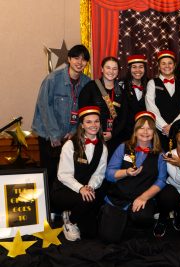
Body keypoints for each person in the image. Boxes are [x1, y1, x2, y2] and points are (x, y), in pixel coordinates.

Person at [99, 111, 167, 243]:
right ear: (135, 131)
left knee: (142, 217)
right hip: (118, 197)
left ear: (154, 132)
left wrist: (143, 197)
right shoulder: (123, 147)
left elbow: (161, 180)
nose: (145, 131)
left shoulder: (160, 154)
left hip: (141, 197)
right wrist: (126, 172)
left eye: (149, 128)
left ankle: (130, 220)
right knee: (108, 238)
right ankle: (114, 215)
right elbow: (109, 173)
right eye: (141, 127)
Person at [32, 44, 91, 194]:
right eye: (76, 58)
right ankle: (47, 207)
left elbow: (84, 111)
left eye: (84, 59)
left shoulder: (86, 83)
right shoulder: (53, 79)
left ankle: (61, 207)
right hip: (49, 135)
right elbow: (44, 107)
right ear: (69, 59)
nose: (79, 62)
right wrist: (55, 135)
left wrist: (73, 131)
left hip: (71, 136)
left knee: (69, 173)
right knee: (50, 172)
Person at [51, 106, 107, 241]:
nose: (93, 125)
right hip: (64, 190)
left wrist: (90, 187)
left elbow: (99, 174)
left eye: (96, 121)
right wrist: (81, 188)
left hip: (87, 190)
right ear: (82, 125)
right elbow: (63, 175)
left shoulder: (103, 147)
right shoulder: (70, 145)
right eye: (89, 122)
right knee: (86, 199)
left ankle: (74, 213)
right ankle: (70, 220)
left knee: (91, 234)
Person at [79, 56, 126, 157]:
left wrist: (112, 133)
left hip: (115, 139)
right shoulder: (90, 87)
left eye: (114, 69)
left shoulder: (121, 92)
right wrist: (95, 132)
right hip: (93, 137)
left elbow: (123, 118)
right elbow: (82, 114)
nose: (111, 71)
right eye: (108, 67)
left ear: (118, 71)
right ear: (102, 69)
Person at [145, 50, 180, 152]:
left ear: (174, 65)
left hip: (179, 131)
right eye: (163, 63)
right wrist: (164, 127)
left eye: (170, 63)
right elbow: (151, 108)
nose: (167, 66)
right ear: (159, 66)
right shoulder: (152, 83)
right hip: (159, 131)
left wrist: (174, 127)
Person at [119, 54, 148, 141]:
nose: (138, 70)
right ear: (129, 69)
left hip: (144, 133)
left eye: (141, 67)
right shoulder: (121, 85)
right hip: (124, 133)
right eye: (134, 67)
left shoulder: (150, 84)